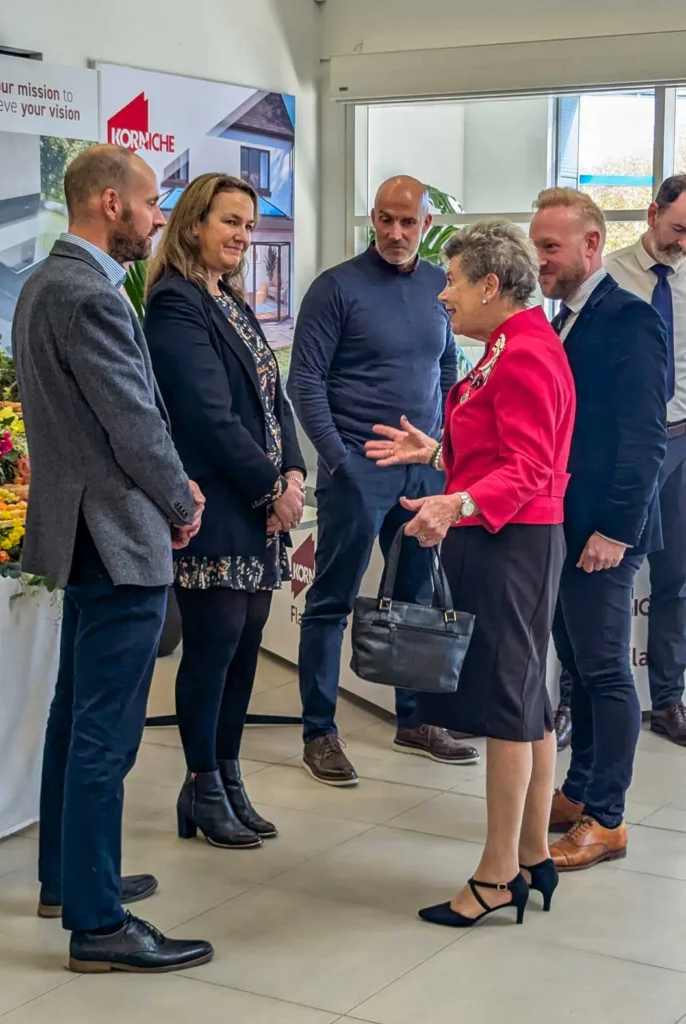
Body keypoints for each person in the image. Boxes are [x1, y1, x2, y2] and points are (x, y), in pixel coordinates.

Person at [12, 144, 213, 973]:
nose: (158, 214)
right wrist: (181, 498)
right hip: (117, 536)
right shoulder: (87, 293)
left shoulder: (41, 282)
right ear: (108, 203)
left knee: (73, 717)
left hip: (77, 531)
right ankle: (96, 925)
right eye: (150, 200)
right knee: (106, 735)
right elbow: (132, 420)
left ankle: (69, 877)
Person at [367, 220, 575, 927]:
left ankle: (495, 875)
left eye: (452, 280)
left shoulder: (524, 354)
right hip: (506, 537)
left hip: (509, 543)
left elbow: (530, 468)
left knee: (510, 707)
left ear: (491, 285)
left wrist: (453, 503)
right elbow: (503, 445)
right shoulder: (507, 345)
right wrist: (436, 449)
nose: (442, 293)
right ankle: (529, 855)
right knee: (527, 703)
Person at [288, 175, 479, 787]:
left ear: (427, 223)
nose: (397, 233)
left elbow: (446, 364)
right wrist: (340, 460)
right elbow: (305, 382)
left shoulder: (437, 286)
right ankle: (320, 731)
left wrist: (444, 444)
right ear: (373, 218)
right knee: (330, 602)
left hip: (422, 468)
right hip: (357, 471)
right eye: (386, 220)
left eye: (409, 222)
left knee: (415, 600)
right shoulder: (336, 287)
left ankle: (414, 719)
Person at [143, 173, 306, 848]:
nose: (241, 235)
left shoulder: (231, 300)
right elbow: (208, 418)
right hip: (222, 504)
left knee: (244, 651)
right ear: (193, 225)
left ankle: (230, 777)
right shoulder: (176, 303)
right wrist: (273, 490)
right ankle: (200, 783)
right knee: (212, 651)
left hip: (261, 505)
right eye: (228, 222)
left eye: (247, 224)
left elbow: (275, 399)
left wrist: (293, 470)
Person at [530, 188, 668, 871]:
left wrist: (615, 528)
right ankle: (579, 788)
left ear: (591, 246)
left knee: (607, 672)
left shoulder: (628, 320)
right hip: (566, 525)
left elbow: (643, 438)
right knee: (579, 669)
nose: (539, 259)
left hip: (601, 534)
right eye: (536, 245)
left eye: (550, 247)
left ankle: (606, 819)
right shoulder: (565, 319)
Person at [603, 174, 686, 747]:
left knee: (677, 579)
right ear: (653, 214)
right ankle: (575, 700)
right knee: (605, 571)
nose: (684, 242)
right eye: (679, 228)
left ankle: (669, 701)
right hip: (625, 447)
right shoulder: (608, 274)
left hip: (682, 439)